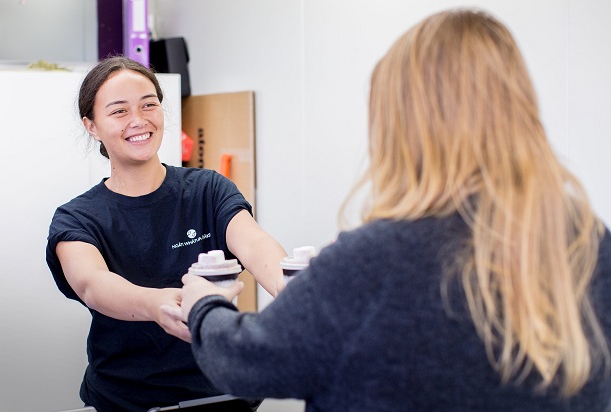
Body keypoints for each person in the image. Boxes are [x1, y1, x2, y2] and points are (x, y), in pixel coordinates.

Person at [173, 9, 611, 412]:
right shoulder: (585, 239)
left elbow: (248, 362)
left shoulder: (373, 260)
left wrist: (205, 305)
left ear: (406, 124)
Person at [45, 56, 286, 412]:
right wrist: (157, 305)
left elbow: (254, 243)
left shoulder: (207, 189)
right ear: (91, 126)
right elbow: (92, 284)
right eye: (119, 111)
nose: (138, 121)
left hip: (220, 394)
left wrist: (294, 288)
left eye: (149, 105)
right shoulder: (77, 218)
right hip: (124, 401)